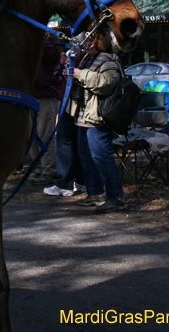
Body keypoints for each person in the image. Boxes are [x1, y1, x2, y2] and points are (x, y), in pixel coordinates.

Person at [65, 31, 127, 213]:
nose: (85, 43)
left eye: (90, 39)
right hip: (83, 117)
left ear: (100, 41)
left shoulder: (108, 59)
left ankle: (115, 197)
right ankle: (95, 194)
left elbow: (107, 83)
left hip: (98, 119)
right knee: (86, 158)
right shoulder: (86, 59)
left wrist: (79, 74)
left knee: (102, 158)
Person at [29, 34, 66, 185]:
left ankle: (49, 170)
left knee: (45, 133)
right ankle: (38, 168)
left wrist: (40, 39)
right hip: (30, 93)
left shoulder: (52, 40)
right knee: (31, 135)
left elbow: (52, 58)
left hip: (46, 93)